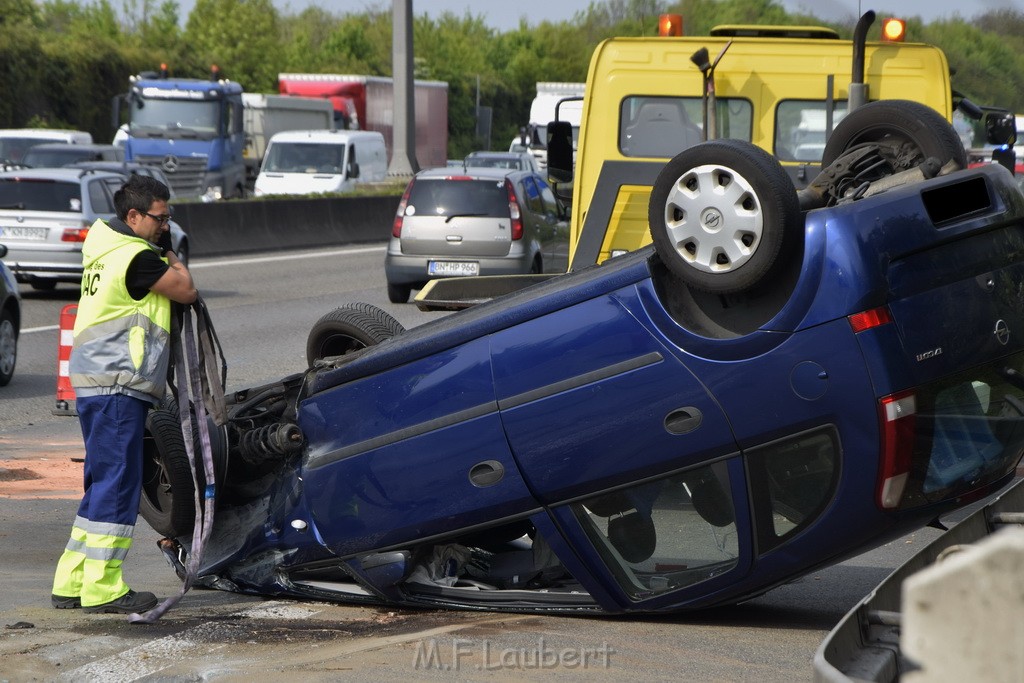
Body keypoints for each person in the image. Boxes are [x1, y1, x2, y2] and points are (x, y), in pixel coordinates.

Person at [51, 174, 197, 614]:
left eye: (168, 217)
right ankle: (103, 587)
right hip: (118, 384)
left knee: (99, 482)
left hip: (96, 383)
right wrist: (172, 253)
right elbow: (186, 290)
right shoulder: (137, 258)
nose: (164, 225)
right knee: (118, 485)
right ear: (133, 216)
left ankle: (71, 579)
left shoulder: (104, 252)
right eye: (160, 217)